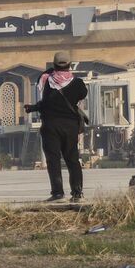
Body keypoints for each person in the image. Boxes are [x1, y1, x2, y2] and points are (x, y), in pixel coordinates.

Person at [26, 51, 87, 202]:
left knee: (53, 160)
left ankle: (58, 193)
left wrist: (33, 108)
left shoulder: (47, 81)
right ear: (70, 65)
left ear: (54, 65)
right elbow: (82, 95)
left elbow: (45, 103)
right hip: (70, 126)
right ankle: (77, 193)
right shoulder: (78, 83)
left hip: (51, 126)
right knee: (72, 159)